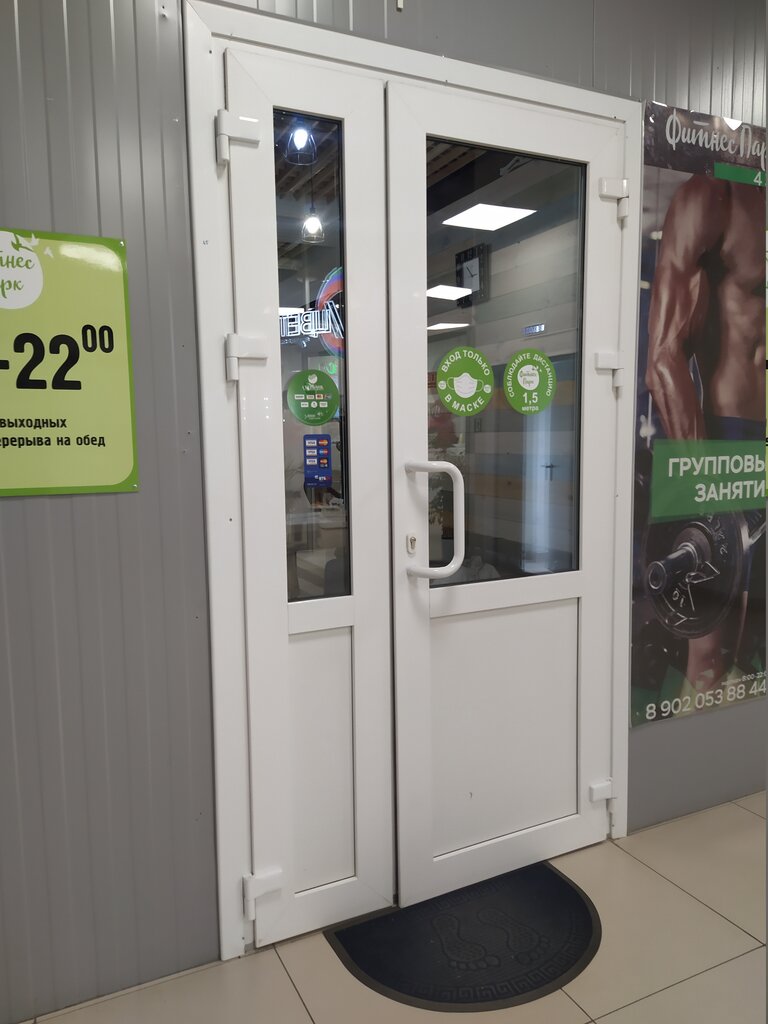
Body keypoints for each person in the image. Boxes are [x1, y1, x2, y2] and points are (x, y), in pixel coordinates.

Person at [646, 173, 765, 695]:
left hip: (752, 440)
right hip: (722, 440)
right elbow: (662, 359)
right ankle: (692, 746)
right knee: (710, 648)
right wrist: (702, 481)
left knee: (749, 640)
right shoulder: (714, 198)